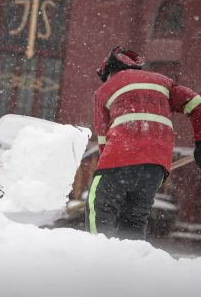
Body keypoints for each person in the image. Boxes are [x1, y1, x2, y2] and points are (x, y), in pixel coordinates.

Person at [86, 46, 201, 240]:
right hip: (156, 164)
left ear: (109, 72)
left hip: (120, 156)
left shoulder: (104, 90)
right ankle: (130, 263)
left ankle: (97, 259)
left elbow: (104, 139)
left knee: (99, 206)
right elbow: (196, 104)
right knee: (134, 217)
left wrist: (104, 173)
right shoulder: (162, 82)